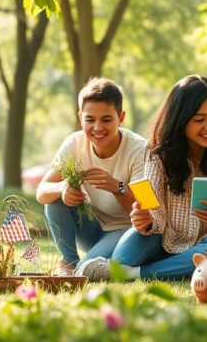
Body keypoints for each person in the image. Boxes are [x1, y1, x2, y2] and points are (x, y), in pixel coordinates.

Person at [104, 75, 207, 280]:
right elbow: (154, 212)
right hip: (165, 237)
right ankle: (171, 267)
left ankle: (139, 274)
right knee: (120, 261)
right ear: (180, 120)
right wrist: (145, 222)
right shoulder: (158, 152)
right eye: (199, 120)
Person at [35, 78, 148, 278]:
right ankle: (68, 261)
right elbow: (42, 193)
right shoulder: (74, 143)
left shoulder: (139, 149)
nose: (97, 128)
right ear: (80, 117)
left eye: (106, 119)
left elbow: (147, 210)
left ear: (121, 117)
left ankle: (79, 267)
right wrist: (62, 188)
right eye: (90, 120)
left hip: (126, 231)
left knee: (85, 271)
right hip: (91, 227)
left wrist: (116, 186)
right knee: (55, 201)